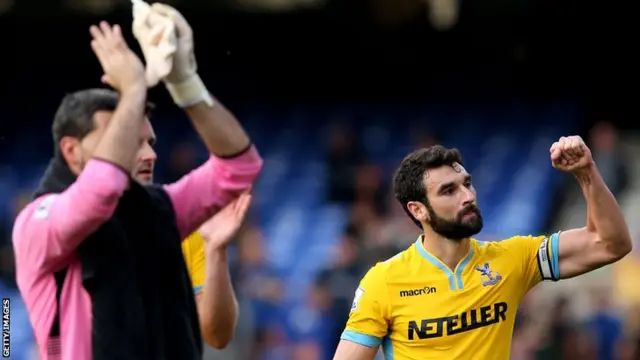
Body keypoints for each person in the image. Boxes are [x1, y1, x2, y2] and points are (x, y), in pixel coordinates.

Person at [12, 20, 262, 360]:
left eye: (148, 141)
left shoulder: (160, 211)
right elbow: (98, 195)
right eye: (128, 138)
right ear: (71, 151)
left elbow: (239, 166)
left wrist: (184, 82)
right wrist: (133, 90)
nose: (148, 154)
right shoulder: (37, 222)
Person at [332, 138, 632, 360]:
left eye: (467, 184)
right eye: (449, 190)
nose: (467, 196)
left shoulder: (513, 258)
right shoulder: (384, 281)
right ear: (418, 210)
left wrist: (586, 173)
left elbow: (610, 244)